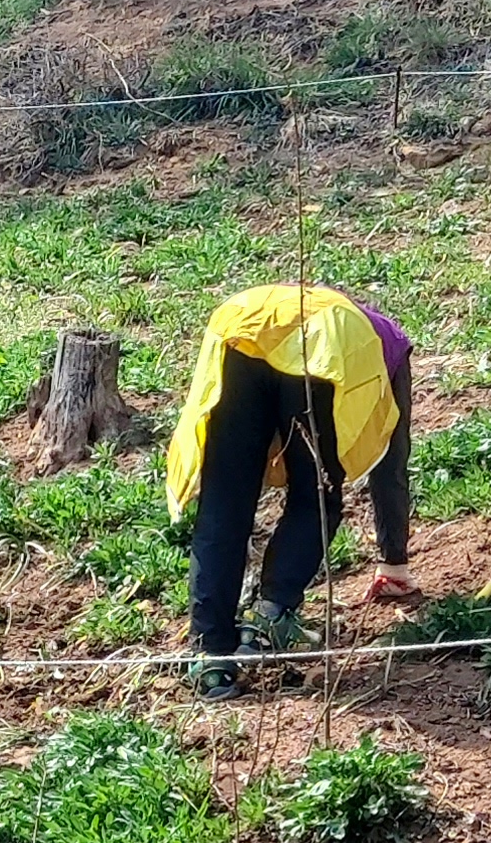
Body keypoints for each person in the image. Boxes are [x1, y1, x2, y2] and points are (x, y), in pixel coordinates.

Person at [164, 282, 420, 699]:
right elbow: (390, 462)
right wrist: (394, 564)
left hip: (239, 324)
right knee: (316, 494)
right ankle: (269, 618)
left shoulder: (286, 307)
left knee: (223, 503)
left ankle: (210, 658)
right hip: (327, 349)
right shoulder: (387, 339)